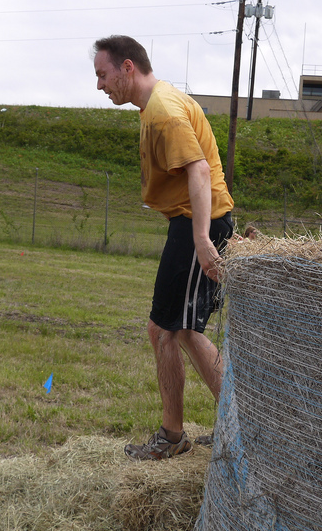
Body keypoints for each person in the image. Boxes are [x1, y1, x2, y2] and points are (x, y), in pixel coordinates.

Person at [93, 35, 234, 460]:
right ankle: (238, 421)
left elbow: (198, 169)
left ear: (128, 67)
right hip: (193, 221)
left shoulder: (163, 111)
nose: (100, 85)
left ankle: (172, 438)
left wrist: (203, 240)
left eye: (103, 75)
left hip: (195, 223)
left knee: (163, 329)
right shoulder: (159, 102)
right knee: (183, 328)